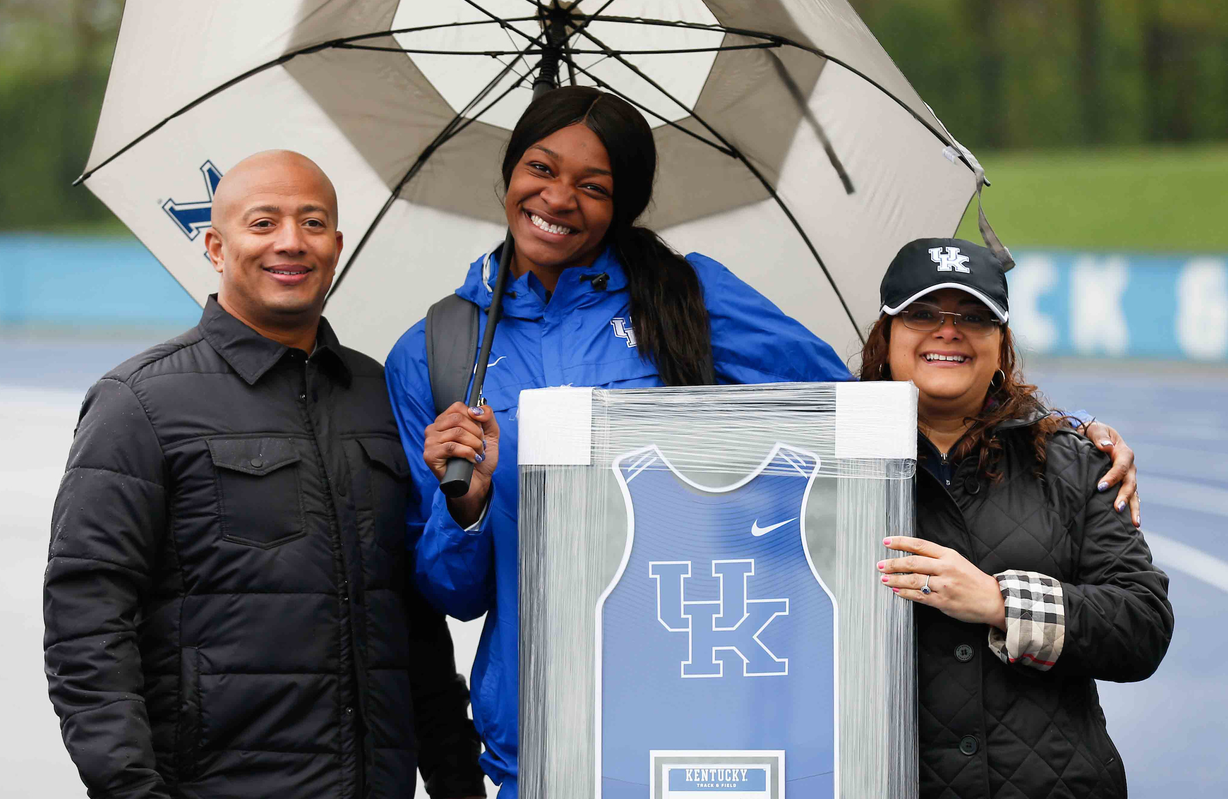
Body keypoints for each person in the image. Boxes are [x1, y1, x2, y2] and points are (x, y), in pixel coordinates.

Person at [384, 89, 1139, 794]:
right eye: (540, 169)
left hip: (703, 715)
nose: (557, 198)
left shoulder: (689, 298)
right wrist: (470, 504)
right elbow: (454, 592)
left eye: (594, 185)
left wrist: (1051, 435)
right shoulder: (436, 352)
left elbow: (858, 416)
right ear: (509, 171)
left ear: (623, 205)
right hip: (542, 737)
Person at [43, 151, 485, 799]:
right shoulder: (137, 403)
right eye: (263, 222)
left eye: (312, 223)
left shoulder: (377, 395)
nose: (290, 242)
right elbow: (87, 622)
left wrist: (458, 783)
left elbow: (412, 626)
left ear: (336, 246)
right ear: (216, 247)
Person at [867, 238, 1173, 798]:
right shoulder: (822, 465)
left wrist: (1001, 603)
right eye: (922, 313)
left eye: (974, 317)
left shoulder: (1076, 461)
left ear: (1000, 343)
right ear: (886, 335)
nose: (948, 330)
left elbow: (1143, 626)